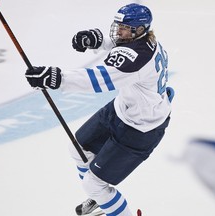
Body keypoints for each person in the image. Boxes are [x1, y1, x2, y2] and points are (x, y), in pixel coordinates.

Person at [25, 3, 174, 216]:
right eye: (118, 26)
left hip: (141, 129)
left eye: (124, 28)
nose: (119, 31)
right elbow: (119, 43)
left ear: (139, 30)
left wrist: (58, 78)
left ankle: (110, 203)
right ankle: (101, 200)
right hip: (123, 110)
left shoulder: (136, 58)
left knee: (93, 184)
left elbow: (99, 79)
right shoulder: (146, 40)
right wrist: (97, 41)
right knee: (78, 149)